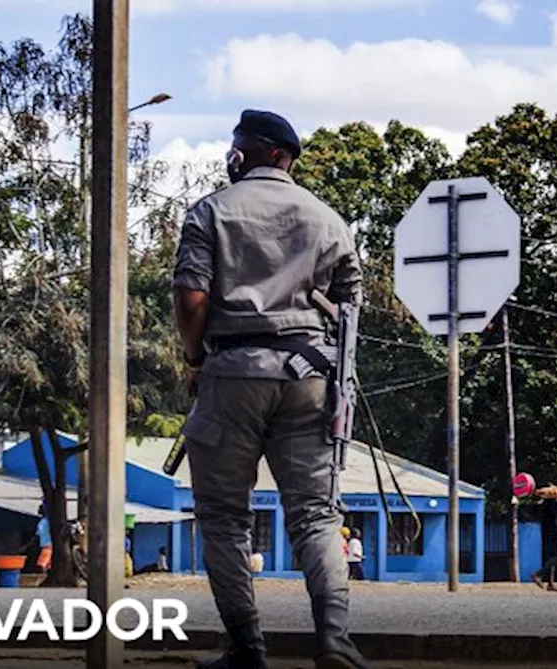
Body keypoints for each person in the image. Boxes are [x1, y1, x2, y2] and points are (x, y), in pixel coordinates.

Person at [173, 108, 368, 669]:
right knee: (315, 515)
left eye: (241, 146)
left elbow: (191, 300)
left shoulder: (209, 211)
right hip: (309, 378)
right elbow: (351, 309)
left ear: (270, 154)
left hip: (231, 373)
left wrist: (195, 359)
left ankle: (246, 649)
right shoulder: (328, 219)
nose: (234, 155)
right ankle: (334, 641)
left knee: (224, 517)